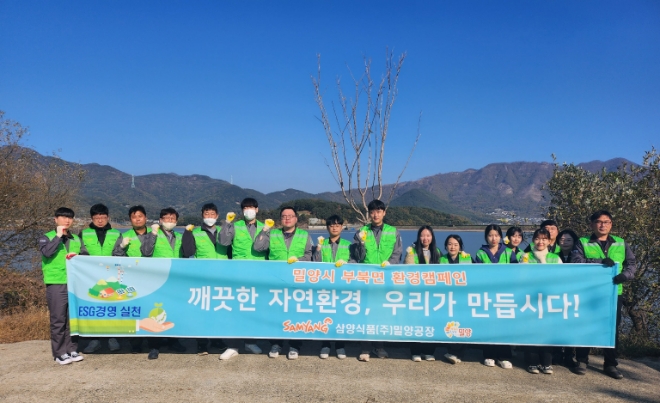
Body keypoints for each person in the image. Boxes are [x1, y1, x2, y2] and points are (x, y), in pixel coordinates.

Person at [572, 210, 636, 379]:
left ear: (611, 224)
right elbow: (577, 262)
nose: (603, 225)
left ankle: (610, 364)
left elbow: (631, 264)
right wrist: (600, 263)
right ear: (592, 224)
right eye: (599, 222)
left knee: (611, 329)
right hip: (589, 291)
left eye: (606, 222)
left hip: (613, 293)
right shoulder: (583, 242)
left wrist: (625, 276)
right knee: (585, 325)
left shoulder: (621, 243)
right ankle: (582, 360)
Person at [254, 206, 313, 360]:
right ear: (280, 219)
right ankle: (276, 344)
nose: (287, 218)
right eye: (284, 216)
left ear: (296, 219)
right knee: (276, 313)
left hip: (296, 280)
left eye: (290, 216)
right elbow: (258, 247)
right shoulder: (272, 233)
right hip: (276, 280)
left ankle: (294, 345)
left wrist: (298, 260)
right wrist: (264, 230)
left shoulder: (304, 235)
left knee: (296, 313)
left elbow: (309, 255)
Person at [351, 199, 403, 362]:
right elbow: (357, 257)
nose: (375, 215)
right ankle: (365, 348)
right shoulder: (361, 232)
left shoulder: (393, 231)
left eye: (379, 211)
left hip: (386, 278)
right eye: (372, 212)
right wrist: (362, 243)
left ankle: (379, 346)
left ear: (384, 213)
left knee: (381, 312)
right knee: (366, 312)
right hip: (366, 279)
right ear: (369, 214)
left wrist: (389, 266)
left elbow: (397, 253)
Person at [217, 197, 267, 359]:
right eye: (245, 208)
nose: (249, 210)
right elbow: (223, 242)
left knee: (254, 308)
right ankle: (233, 345)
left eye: (251, 207)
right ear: (242, 211)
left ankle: (251, 342)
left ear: (257, 209)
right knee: (235, 309)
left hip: (258, 274)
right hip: (238, 273)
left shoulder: (265, 227)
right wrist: (227, 223)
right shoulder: (235, 225)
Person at [181, 203, 231, 357]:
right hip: (203, 278)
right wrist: (186, 233)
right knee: (202, 311)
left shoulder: (224, 231)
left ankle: (217, 340)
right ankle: (202, 343)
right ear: (202, 215)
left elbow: (231, 252)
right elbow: (188, 252)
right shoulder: (195, 232)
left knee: (219, 309)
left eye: (212, 214)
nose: (210, 217)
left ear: (217, 215)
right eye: (206, 214)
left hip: (222, 276)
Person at [38, 207, 84, 365]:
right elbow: (47, 253)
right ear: (55, 219)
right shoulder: (47, 237)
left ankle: (72, 349)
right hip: (56, 283)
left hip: (74, 283)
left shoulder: (76, 239)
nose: (67, 220)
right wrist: (58, 236)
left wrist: (78, 257)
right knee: (58, 319)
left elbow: (85, 257)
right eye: (63, 217)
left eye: (69, 217)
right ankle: (59, 353)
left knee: (73, 318)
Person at [141, 207, 187, 359]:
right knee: (155, 312)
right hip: (157, 280)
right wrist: (153, 234)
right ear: (160, 220)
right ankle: (154, 345)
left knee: (174, 311)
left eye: (173, 219)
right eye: (166, 218)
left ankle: (174, 341)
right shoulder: (152, 234)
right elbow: (146, 252)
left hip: (175, 280)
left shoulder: (179, 237)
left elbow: (186, 255)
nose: (169, 221)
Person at [111, 205, 157, 354]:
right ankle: (136, 344)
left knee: (152, 311)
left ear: (146, 218)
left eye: (140, 216)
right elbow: (115, 255)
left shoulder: (156, 233)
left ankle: (154, 345)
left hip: (153, 278)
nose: (137, 219)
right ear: (130, 219)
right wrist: (122, 246)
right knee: (135, 311)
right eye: (134, 217)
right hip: (133, 279)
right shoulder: (125, 235)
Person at [80, 204, 122, 354]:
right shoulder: (84, 233)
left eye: (103, 217)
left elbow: (120, 253)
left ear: (108, 217)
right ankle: (94, 339)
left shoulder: (116, 233)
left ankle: (112, 338)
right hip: (91, 277)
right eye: (96, 217)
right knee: (94, 308)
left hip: (111, 277)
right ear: (91, 218)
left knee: (111, 307)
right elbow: (81, 253)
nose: (100, 220)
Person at [520, 228, 562, 374]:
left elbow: (561, 278)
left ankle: (546, 362)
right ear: (533, 241)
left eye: (544, 239)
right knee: (531, 330)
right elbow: (521, 277)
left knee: (547, 330)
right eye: (537, 239)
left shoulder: (555, 258)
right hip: (530, 299)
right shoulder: (526, 257)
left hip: (548, 300)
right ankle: (532, 362)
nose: (541, 242)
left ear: (549, 241)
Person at [312, 214, 354, 360]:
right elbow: (314, 263)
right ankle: (325, 345)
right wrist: (317, 248)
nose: (334, 228)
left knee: (341, 316)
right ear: (327, 227)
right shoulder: (321, 243)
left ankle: (340, 346)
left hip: (342, 286)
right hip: (325, 286)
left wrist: (347, 264)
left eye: (337, 225)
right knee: (324, 316)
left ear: (341, 227)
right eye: (331, 225)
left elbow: (355, 261)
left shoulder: (348, 244)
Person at [474, 224, 513, 369]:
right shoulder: (481, 253)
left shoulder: (508, 252)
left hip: (504, 294)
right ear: (486, 237)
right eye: (490, 235)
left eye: (496, 235)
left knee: (504, 325)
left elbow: (515, 271)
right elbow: (477, 273)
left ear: (501, 237)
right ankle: (488, 355)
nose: (493, 238)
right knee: (488, 324)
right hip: (488, 294)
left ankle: (504, 356)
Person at [403, 226, 439, 362]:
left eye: (428, 235)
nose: (425, 238)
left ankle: (429, 351)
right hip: (416, 293)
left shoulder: (437, 252)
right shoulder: (411, 251)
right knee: (416, 322)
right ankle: (415, 351)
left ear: (432, 237)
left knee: (431, 322)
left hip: (432, 294)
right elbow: (408, 270)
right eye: (422, 235)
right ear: (418, 237)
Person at [439, 234, 472, 364]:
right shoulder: (441, 259)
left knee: (462, 323)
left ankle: (459, 353)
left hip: (462, 297)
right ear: (446, 246)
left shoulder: (467, 258)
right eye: (450, 244)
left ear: (460, 246)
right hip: (447, 297)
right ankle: (452, 351)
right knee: (450, 323)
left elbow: (474, 275)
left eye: (455, 244)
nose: (452, 247)